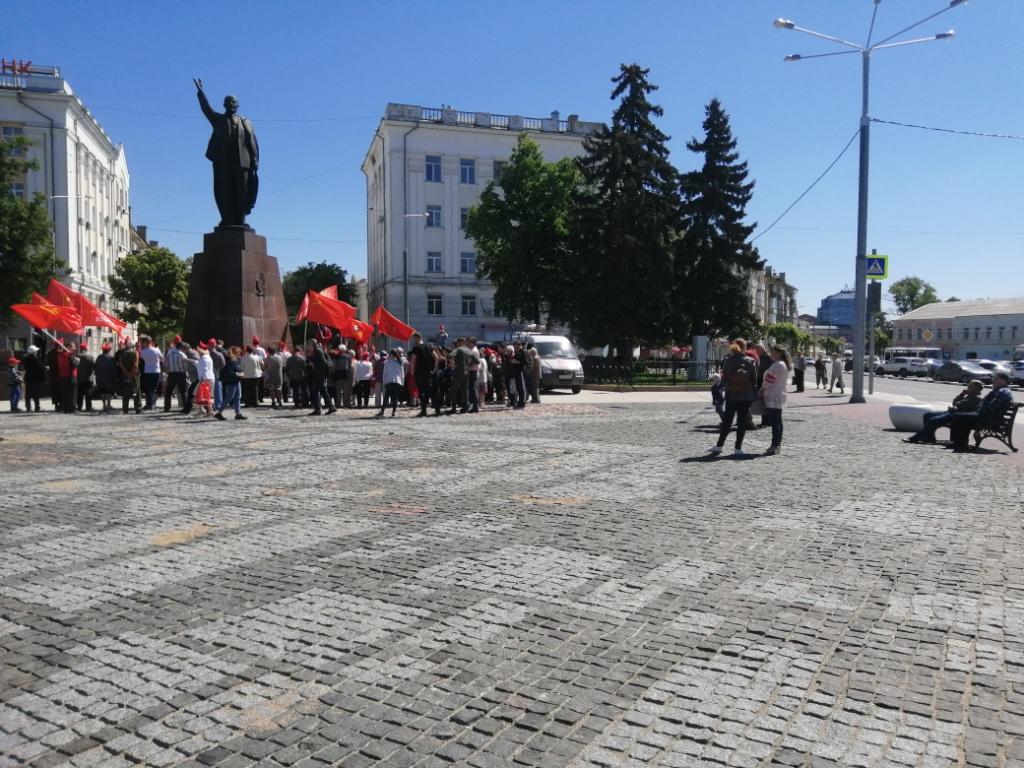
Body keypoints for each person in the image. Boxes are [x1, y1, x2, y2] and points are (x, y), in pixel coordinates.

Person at [194, 78, 259, 229]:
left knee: (242, 192)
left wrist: (255, 160)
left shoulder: (246, 122)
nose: (230, 104)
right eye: (228, 102)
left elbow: (253, 143)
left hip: (243, 163)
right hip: (223, 163)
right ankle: (227, 219)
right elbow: (206, 109)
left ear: (237, 105)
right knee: (224, 192)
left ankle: (241, 220)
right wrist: (201, 92)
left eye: (233, 102)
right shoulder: (218, 120)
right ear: (224, 105)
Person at [709, 340, 758, 457]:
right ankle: (738, 448)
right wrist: (753, 395)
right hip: (746, 397)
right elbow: (754, 381)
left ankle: (719, 446)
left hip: (732, 396)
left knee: (727, 422)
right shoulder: (751, 361)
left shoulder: (728, 361)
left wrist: (729, 386)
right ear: (745, 347)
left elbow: (724, 379)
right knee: (741, 423)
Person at [948, 372, 1014, 452]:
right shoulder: (998, 391)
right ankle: (958, 443)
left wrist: (978, 415)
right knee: (958, 416)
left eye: (995, 379)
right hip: (984, 415)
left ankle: (961, 445)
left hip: (989, 419)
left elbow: (992, 409)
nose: (993, 381)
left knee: (960, 417)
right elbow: (985, 404)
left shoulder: (1003, 392)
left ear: (1003, 381)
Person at [905, 380, 983, 445]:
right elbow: (955, 403)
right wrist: (961, 394)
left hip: (955, 416)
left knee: (933, 420)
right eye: (969, 386)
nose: (968, 387)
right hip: (950, 412)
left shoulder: (976, 399)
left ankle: (915, 438)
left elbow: (962, 407)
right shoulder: (967, 396)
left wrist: (955, 407)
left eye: (970, 386)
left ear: (976, 389)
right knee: (927, 415)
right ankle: (929, 438)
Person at [760, 346, 791, 456]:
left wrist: (762, 389)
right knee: (777, 421)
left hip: (774, 395)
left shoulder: (778, 365)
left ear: (778, 353)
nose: (771, 354)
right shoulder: (782, 364)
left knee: (775, 422)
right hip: (777, 395)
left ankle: (775, 445)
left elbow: (769, 380)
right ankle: (776, 445)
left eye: (772, 352)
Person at [215, 346, 246, 421]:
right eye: (239, 353)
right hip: (231, 382)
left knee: (237, 397)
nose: (240, 354)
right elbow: (230, 373)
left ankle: (238, 414)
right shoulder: (231, 362)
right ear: (236, 353)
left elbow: (237, 370)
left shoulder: (235, 361)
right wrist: (239, 374)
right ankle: (219, 412)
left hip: (236, 382)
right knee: (229, 397)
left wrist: (241, 373)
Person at [116, 338, 142, 414]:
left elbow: (120, 364)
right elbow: (135, 365)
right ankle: (138, 408)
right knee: (137, 391)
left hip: (124, 375)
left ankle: (125, 409)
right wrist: (131, 374)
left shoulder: (121, 353)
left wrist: (126, 373)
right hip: (134, 375)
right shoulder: (135, 353)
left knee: (125, 392)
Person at [376, 349, 405, 418]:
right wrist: (402, 383)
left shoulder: (387, 362)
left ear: (391, 354)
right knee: (395, 398)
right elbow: (402, 374)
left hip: (389, 382)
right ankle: (393, 412)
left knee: (386, 397)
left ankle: (382, 411)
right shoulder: (400, 362)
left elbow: (384, 374)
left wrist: (384, 382)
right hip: (398, 382)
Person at [163, 336, 188, 412]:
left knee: (168, 392)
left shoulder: (169, 353)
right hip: (181, 374)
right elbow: (185, 366)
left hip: (172, 374)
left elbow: (165, 365)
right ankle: (185, 408)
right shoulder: (182, 354)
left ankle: (167, 408)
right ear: (181, 347)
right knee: (183, 391)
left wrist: (168, 371)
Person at [139, 336, 163, 410]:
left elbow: (142, 358)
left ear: (145, 343)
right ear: (151, 341)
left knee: (148, 389)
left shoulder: (143, 352)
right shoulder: (156, 350)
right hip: (156, 371)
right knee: (154, 389)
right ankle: (152, 404)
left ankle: (148, 404)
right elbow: (162, 358)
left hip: (147, 371)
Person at [193, 342, 216, 417]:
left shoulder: (204, 358)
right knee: (204, 395)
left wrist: (202, 380)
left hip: (204, 379)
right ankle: (203, 410)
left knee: (201, 395)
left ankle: (207, 411)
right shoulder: (207, 357)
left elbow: (204, 369)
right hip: (208, 378)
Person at [55, 342, 78, 414]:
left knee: (65, 394)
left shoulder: (60, 355)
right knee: (72, 394)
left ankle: (65, 408)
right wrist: (77, 361)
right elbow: (74, 365)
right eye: (73, 347)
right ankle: (72, 408)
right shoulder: (70, 355)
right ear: (68, 347)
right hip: (71, 376)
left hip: (62, 376)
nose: (74, 349)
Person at [93, 343, 117, 413]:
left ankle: (104, 406)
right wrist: (116, 376)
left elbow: (95, 367)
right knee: (109, 392)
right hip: (109, 378)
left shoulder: (99, 357)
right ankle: (108, 405)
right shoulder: (111, 358)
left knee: (102, 391)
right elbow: (114, 369)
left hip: (100, 378)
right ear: (109, 350)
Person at [450, 339, 472, 414]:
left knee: (453, 391)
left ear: (461, 342)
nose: (457, 344)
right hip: (466, 373)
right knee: (465, 391)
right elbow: (476, 360)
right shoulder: (468, 350)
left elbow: (450, 356)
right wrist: (468, 367)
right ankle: (465, 408)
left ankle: (453, 408)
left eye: (457, 343)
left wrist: (453, 364)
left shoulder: (457, 349)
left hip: (458, 373)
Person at [21, 345, 45, 413]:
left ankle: (28, 407)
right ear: (34, 352)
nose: (37, 352)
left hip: (28, 378)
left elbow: (25, 368)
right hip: (36, 379)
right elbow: (40, 369)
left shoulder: (25, 359)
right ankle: (37, 407)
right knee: (36, 394)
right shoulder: (36, 359)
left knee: (28, 394)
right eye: (36, 351)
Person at [76, 343, 96, 412]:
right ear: (86, 348)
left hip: (79, 378)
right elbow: (94, 367)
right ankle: (88, 407)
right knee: (88, 394)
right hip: (89, 379)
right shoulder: (91, 357)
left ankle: (79, 407)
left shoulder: (77, 356)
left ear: (80, 348)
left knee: (80, 394)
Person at [264, 345, 285, 409]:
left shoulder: (268, 358)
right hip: (279, 375)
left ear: (268, 351)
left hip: (271, 376)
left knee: (272, 389)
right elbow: (282, 365)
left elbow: (264, 367)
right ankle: (280, 402)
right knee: (279, 389)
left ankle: (273, 401)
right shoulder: (280, 357)